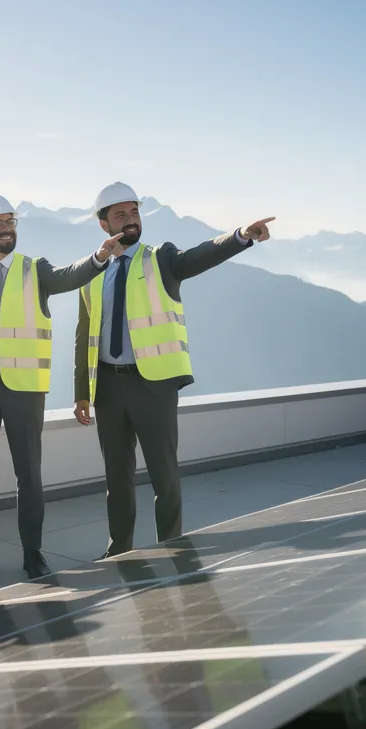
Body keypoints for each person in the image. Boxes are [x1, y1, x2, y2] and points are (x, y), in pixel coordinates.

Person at [72, 182, 272, 557]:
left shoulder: (160, 257)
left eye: (134, 213)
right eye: (120, 215)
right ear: (103, 224)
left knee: (164, 474)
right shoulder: (93, 270)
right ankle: (120, 550)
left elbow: (199, 256)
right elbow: (84, 334)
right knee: (117, 479)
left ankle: (173, 548)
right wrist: (82, 392)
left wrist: (241, 236)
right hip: (108, 390)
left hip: (154, 385)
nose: (130, 221)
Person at [0, 193, 124, 582]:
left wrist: (99, 257)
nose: (7, 229)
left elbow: (68, 276)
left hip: (23, 387)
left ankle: (33, 554)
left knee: (29, 473)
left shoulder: (34, 268)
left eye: (11, 222)